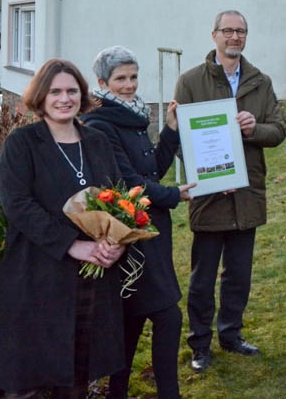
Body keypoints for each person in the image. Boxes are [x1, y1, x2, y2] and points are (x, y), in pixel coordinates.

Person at [0, 59, 126, 397]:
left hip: (88, 281)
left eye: (72, 91)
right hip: (35, 276)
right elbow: (18, 204)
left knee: (77, 376)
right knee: (30, 377)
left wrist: (116, 242)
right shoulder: (23, 143)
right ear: (41, 96)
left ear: (82, 95)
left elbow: (116, 199)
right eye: (56, 91)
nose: (65, 99)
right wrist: (72, 245)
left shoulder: (96, 141)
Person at [173, 10, 285, 373]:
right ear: (214, 35)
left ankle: (231, 335)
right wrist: (210, 177)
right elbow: (181, 139)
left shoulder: (260, 81)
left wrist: (255, 129)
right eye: (228, 31)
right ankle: (200, 344)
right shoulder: (190, 81)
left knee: (239, 273)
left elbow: (278, 130)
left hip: (247, 191)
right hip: (210, 195)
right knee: (202, 277)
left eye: (241, 31)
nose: (234, 37)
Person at [83, 46, 196, 399]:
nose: (129, 85)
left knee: (131, 318)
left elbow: (153, 169)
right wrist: (175, 194)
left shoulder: (133, 116)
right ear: (102, 83)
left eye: (133, 77)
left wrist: (172, 131)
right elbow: (129, 183)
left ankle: (117, 391)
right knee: (166, 316)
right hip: (129, 236)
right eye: (121, 79)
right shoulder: (101, 123)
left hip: (151, 230)